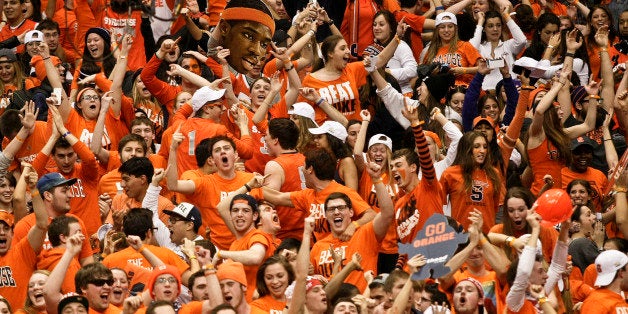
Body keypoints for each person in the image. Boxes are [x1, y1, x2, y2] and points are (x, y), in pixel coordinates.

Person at [309, 159, 394, 291]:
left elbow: (388, 213)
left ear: (351, 212)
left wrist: (376, 180)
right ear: (325, 215)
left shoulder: (366, 233)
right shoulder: (318, 247)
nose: (336, 212)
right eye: (331, 209)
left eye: (341, 208)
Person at [260, 148, 376, 243]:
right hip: (320, 254)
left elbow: (371, 215)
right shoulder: (307, 195)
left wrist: (354, 225)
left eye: (304, 167)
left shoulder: (344, 192)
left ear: (310, 169)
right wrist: (250, 184)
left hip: (345, 252)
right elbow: (277, 197)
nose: (303, 171)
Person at [166, 135, 255, 250]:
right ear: (212, 160)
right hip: (217, 253)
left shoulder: (252, 179)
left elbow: (278, 198)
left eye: (227, 148)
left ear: (236, 154)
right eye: (217, 150)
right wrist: (173, 149)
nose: (222, 151)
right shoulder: (205, 183)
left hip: (248, 248)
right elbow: (173, 185)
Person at [0, 164, 47, 309]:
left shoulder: (22, 251)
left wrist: (33, 190)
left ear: (13, 233)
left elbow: (42, 224)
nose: (1, 232)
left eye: (6, 228)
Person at [441, 131, 504, 233]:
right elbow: (436, 203)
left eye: (485, 147)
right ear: (466, 149)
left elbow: (494, 208)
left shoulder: (494, 174)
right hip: (460, 237)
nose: (482, 151)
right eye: (477, 146)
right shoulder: (450, 173)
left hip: (486, 236)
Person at [216, 193, 273, 302]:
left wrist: (221, 254)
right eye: (235, 210)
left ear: (255, 216)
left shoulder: (258, 236)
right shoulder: (235, 244)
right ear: (231, 215)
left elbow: (255, 257)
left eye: (245, 211)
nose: (239, 214)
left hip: (259, 306)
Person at [263, 118, 307, 241]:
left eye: (266, 135)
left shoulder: (275, 165)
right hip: (310, 231)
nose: (265, 139)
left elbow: (269, 203)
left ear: (276, 139)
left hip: (286, 236)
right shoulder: (306, 159)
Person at [469, 8, 526, 89]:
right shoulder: (480, 48)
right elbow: (471, 48)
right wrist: (480, 21)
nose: (495, 29)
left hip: (509, 91)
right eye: (490, 26)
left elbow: (522, 40)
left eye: (498, 25)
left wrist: (506, 16)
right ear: (484, 29)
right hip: (486, 94)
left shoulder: (508, 46)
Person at [420, 12, 482, 85]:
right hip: (439, 91)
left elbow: (484, 67)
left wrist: (464, 70)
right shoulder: (431, 50)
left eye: (450, 26)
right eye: (442, 27)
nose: (446, 30)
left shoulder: (465, 46)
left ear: (455, 28)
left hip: (462, 89)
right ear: (437, 30)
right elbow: (423, 75)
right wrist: (432, 74)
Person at [309, 120, 358, 190]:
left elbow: (353, 194)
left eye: (319, 137)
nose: (315, 140)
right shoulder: (324, 160)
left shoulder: (347, 162)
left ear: (331, 139)